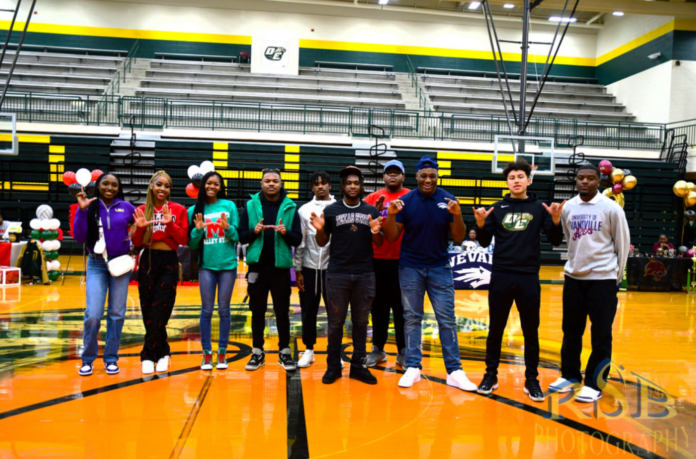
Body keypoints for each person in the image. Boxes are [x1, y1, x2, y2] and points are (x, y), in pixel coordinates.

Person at [472, 159, 564, 402]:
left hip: (528, 277)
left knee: (530, 330)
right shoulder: (497, 208)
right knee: (496, 329)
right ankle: (490, 375)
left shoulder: (538, 208)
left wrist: (555, 219)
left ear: (528, 180)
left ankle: (531, 379)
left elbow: (555, 240)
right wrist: (481, 224)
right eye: (511, 178)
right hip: (501, 275)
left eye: (520, 177)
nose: (516, 181)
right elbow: (482, 241)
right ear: (507, 182)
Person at [384, 156, 476, 391]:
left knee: (447, 319)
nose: (427, 179)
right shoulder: (405, 202)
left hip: (439, 267)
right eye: (423, 175)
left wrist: (457, 215)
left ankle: (454, 371)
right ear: (416, 177)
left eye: (431, 175)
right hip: (410, 267)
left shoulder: (449, 200)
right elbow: (392, 237)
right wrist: (392, 215)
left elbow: (458, 237)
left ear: (437, 176)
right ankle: (413, 367)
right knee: (412, 318)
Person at [548, 163, 630, 403]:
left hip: (602, 280)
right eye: (581, 178)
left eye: (591, 178)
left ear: (599, 182)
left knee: (601, 334)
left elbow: (622, 245)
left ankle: (595, 383)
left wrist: (616, 278)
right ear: (576, 181)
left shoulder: (612, 208)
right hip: (573, 279)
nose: (585, 181)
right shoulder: (568, 207)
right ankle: (570, 375)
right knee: (571, 331)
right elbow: (565, 238)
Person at [311, 166, 383, 385]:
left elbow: (379, 243)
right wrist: (320, 229)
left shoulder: (371, 210)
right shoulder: (331, 210)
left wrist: (375, 230)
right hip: (338, 274)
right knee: (335, 323)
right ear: (342, 186)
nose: (353, 186)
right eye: (349, 183)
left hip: (364, 274)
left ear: (361, 186)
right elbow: (322, 242)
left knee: (361, 322)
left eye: (357, 183)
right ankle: (333, 366)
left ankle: (358, 367)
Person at [239, 169, 302, 372]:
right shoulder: (250, 205)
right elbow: (241, 236)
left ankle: (284, 351)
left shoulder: (291, 207)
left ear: (281, 183)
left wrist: (285, 233)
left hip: (280, 269)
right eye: (268, 181)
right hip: (257, 267)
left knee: (282, 311)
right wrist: (253, 231)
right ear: (261, 183)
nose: (271, 184)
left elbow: (298, 239)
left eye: (275, 181)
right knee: (257, 311)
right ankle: (258, 351)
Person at [73, 173, 135, 376]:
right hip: (97, 264)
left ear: (119, 188)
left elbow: (138, 235)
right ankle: (88, 358)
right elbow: (79, 237)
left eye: (114, 184)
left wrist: (138, 232)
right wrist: (81, 212)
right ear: (97, 185)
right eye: (105, 183)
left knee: (117, 314)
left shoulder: (127, 208)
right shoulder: (89, 205)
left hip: (120, 265)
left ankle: (110, 358)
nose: (109, 187)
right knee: (93, 314)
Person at [131, 171, 189, 375]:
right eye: (159, 185)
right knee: (147, 308)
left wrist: (170, 223)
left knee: (162, 308)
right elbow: (137, 243)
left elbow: (184, 240)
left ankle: (148, 354)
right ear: (151, 186)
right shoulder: (141, 210)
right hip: (147, 260)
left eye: (167, 186)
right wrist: (138, 229)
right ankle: (163, 351)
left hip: (169, 262)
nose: (163, 189)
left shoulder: (178, 209)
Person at [187, 171, 240, 371]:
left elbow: (237, 238)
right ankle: (207, 352)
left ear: (220, 187)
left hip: (227, 265)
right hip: (206, 266)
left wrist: (227, 228)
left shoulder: (229, 206)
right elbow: (192, 244)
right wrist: (198, 230)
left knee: (224, 309)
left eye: (216, 184)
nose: (212, 187)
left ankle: (222, 351)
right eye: (208, 183)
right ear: (202, 185)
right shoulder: (194, 209)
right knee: (206, 310)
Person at [363, 159, 410, 368]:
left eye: (396, 173)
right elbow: (361, 225)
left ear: (403, 176)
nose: (393, 176)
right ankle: (378, 349)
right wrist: (375, 211)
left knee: (402, 309)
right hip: (377, 261)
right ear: (383, 176)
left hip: (405, 261)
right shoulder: (372, 198)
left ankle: (403, 351)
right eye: (388, 173)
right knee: (378, 308)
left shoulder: (411, 197)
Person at [295, 171, 336, 368]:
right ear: (311, 187)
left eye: (324, 183)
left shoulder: (338, 208)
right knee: (308, 310)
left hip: (333, 270)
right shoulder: (304, 210)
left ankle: (334, 353)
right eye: (316, 184)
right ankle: (309, 350)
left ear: (330, 185)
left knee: (335, 313)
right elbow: (301, 242)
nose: (320, 187)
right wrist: (299, 269)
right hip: (310, 268)